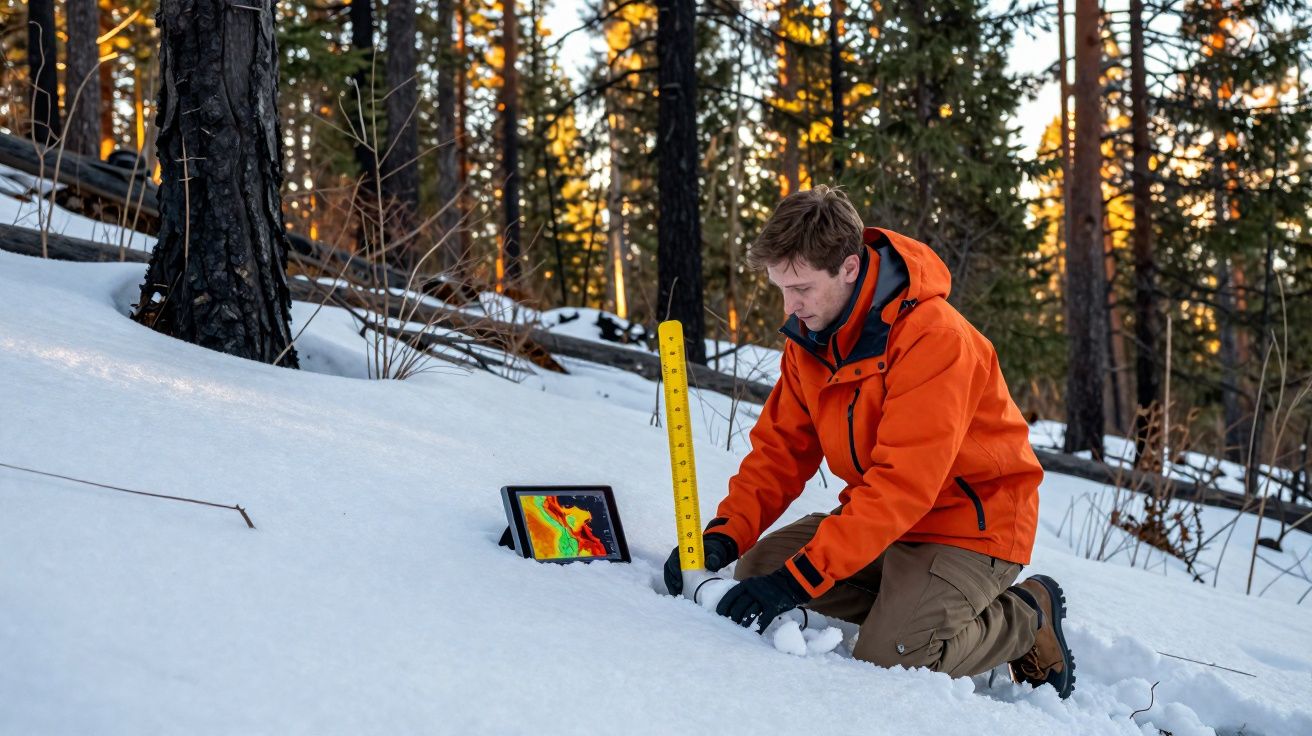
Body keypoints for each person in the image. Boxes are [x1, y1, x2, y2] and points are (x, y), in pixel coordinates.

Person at [663, 186, 1075, 698]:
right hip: (885, 524)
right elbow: (780, 454)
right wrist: (723, 535)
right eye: (781, 289)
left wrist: (800, 582)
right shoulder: (810, 340)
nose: (790, 307)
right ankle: (906, 602)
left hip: (971, 528)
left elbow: (904, 483)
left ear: (850, 269)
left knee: (891, 658)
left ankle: (1026, 613)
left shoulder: (934, 338)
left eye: (802, 289)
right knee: (758, 569)